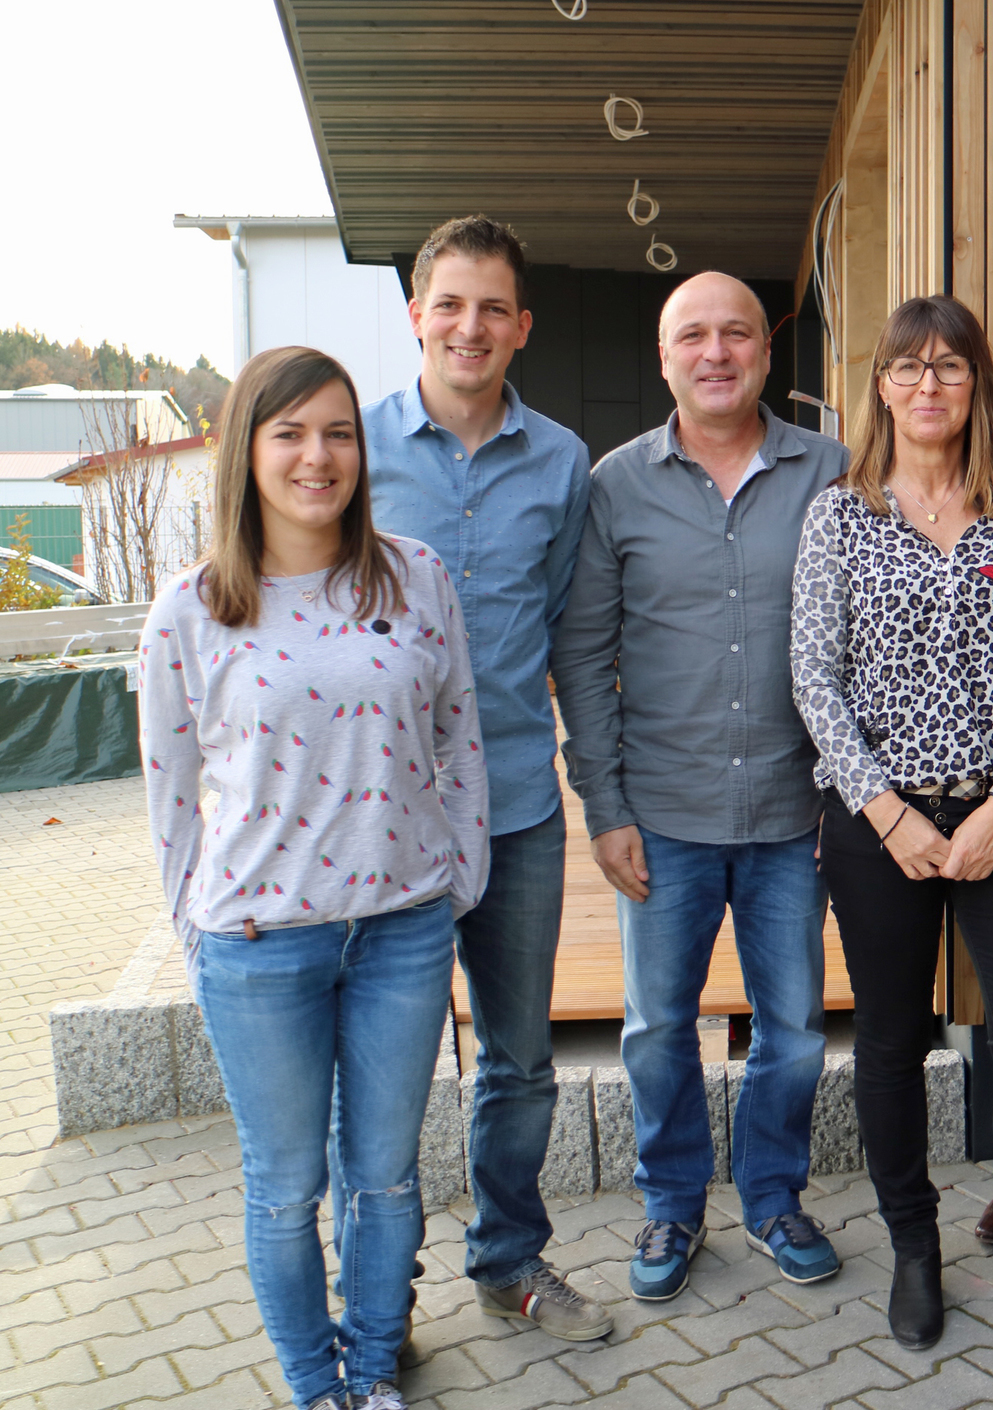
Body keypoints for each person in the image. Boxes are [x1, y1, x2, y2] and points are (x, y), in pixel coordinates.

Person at [139, 347, 489, 1410]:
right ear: (246, 450)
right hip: (259, 947)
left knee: (384, 1180)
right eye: (288, 433)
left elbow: (459, 736)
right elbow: (167, 788)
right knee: (286, 1189)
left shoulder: (414, 575)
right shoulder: (191, 612)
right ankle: (312, 1382)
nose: (316, 455)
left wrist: (455, 878)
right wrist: (196, 925)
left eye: (337, 431)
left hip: (401, 931)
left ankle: (373, 1364)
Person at [792, 295, 993, 1350]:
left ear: (977, 386)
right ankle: (913, 1247)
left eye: (949, 369)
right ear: (880, 386)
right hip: (880, 825)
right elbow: (813, 678)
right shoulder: (839, 513)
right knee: (887, 1041)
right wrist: (886, 815)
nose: (928, 388)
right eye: (907, 370)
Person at [550, 272, 849, 1299]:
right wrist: (606, 809)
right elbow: (584, 657)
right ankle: (670, 1208)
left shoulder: (835, 474)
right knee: (653, 1029)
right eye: (693, 336)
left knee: (796, 1031)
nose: (714, 352)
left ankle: (772, 1197)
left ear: (766, 351)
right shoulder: (612, 486)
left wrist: (850, 798)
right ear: (664, 354)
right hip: (663, 819)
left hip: (793, 816)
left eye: (735, 334)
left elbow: (868, 645)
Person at [362, 217, 608, 1339]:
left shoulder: (561, 461)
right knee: (387, 1077)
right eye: (449, 304)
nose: (470, 326)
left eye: (492, 308)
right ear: (416, 313)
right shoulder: (349, 450)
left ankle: (509, 1262)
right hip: (378, 828)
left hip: (513, 809)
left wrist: (604, 795)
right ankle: (379, 1300)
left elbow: (567, 632)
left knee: (518, 1063)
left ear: (521, 326)